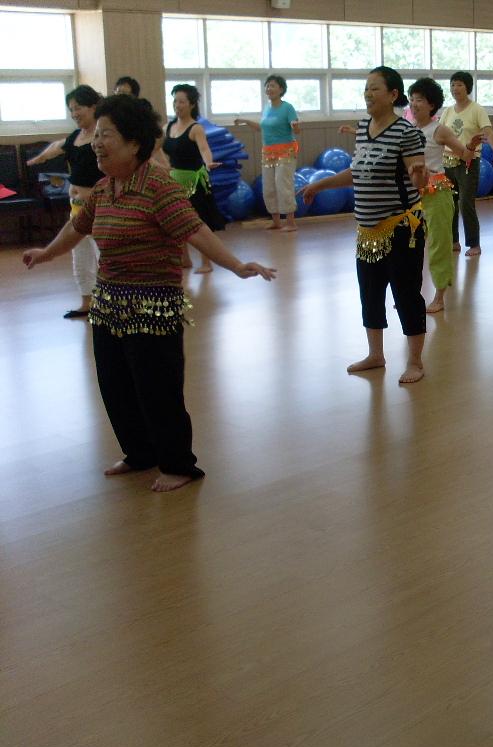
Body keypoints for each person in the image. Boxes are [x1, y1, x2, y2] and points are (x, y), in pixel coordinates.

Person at [22, 95, 276, 492]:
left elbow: (196, 230)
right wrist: (46, 253)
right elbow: (78, 227)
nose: (97, 143)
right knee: (115, 384)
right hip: (109, 304)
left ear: (135, 143)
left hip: (153, 304)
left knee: (157, 388)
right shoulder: (105, 188)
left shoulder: (158, 186)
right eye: (97, 136)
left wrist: (237, 265)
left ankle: (178, 464)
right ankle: (139, 454)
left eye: (107, 135)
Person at [302, 67, 430, 384]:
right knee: (370, 293)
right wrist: (321, 185)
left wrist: (419, 176)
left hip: (402, 228)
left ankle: (415, 361)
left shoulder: (406, 132)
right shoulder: (363, 128)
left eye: (375, 89)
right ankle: (376, 355)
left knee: (406, 294)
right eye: (366, 89)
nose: (368, 94)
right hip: (368, 231)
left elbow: (417, 174)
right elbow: (357, 171)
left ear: (393, 95)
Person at [26, 85, 103, 319]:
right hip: (77, 210)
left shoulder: (102, 137)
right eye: (71, 110)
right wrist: (40, 157)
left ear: (93, 107)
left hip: (101, 211)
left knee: (106, 259)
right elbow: (56, 147)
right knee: (81, 259)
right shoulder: (75, 138)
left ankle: (115, 303)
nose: (75, 114)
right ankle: (87, 303)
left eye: (78, 108)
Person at [407, 77, 478, 313]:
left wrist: (472, 146)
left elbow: (464, 156)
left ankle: (439, 297)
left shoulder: (439, 130)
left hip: (436, 193)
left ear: (431, 105)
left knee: (438, 245)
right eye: (412, 99)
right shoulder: (407, 129)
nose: (414, 104)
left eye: (420, 100)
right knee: (411, 247)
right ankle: (411, 293)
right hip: (411, 195)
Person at [440, 72, 493, 258]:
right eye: (452, 85)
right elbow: (439, 136)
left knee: (466, 203)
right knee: (449, 204)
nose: (455, 88)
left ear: (467, 87)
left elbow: (489, 133)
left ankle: (474, 243)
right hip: (447, 162)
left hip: (468, 162)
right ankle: (454, 241)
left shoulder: (477, 110)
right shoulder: (448, 111)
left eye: (459, 85)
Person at [165, 84, 224, 274]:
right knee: (177, 220)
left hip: (194, 180)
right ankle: (185, 258)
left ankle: (206, 262)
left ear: (191, 104)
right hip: (174, 180)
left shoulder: (195, 128)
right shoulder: (168, 127)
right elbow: (155, 147)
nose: (177, 105)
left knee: (199, 221)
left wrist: (208, 163)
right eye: (175, 101)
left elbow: (204, 148)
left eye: (181, 101)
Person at [234, 75, 300, 232]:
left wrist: (295, 126)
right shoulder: (267, 108)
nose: (269, 89)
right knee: (268, 187)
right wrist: (246, 121)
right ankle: (276, 221)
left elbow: (296, 128)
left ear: (281, 89)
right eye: (267, 86)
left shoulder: (287, 107)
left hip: (285, 151)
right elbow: (262, 128)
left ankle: (290, 222)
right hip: (268, 153)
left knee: (282, 184)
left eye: (272, 86)